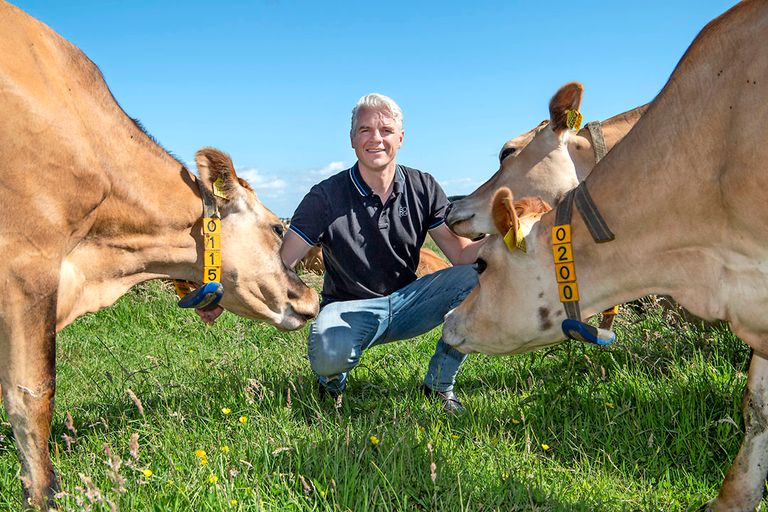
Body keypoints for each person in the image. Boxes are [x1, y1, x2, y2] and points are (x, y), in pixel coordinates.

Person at [280, 93, 485, 413]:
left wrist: (512, 234)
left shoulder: (423, 186)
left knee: (476, 279)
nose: (376, 138)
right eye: (365, 130)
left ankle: (439, 384)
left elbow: (461, 255)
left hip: (409, 303)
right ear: (351, 139)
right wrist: (226, 295)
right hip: (348, 309)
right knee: (328, 348)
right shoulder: (325, 196)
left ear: (401, 138)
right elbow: (282, 263)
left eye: (386, 130)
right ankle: (332, 384)